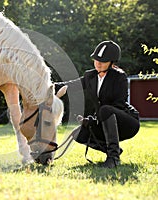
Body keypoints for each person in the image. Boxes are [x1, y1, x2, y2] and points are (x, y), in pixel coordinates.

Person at [55, 40, 140, 168]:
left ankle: (113, 158)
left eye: (103, 61)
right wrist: (48, 87)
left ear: (112, 63)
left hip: (126, 122)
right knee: (78, 134)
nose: (98, 63)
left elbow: (118, 105)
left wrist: (94, 120)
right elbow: (72, 85)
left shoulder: (119, 77)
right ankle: (113, 150)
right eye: (96, 60)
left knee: (105, 110)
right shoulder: (90, 76)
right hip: (104, 119)